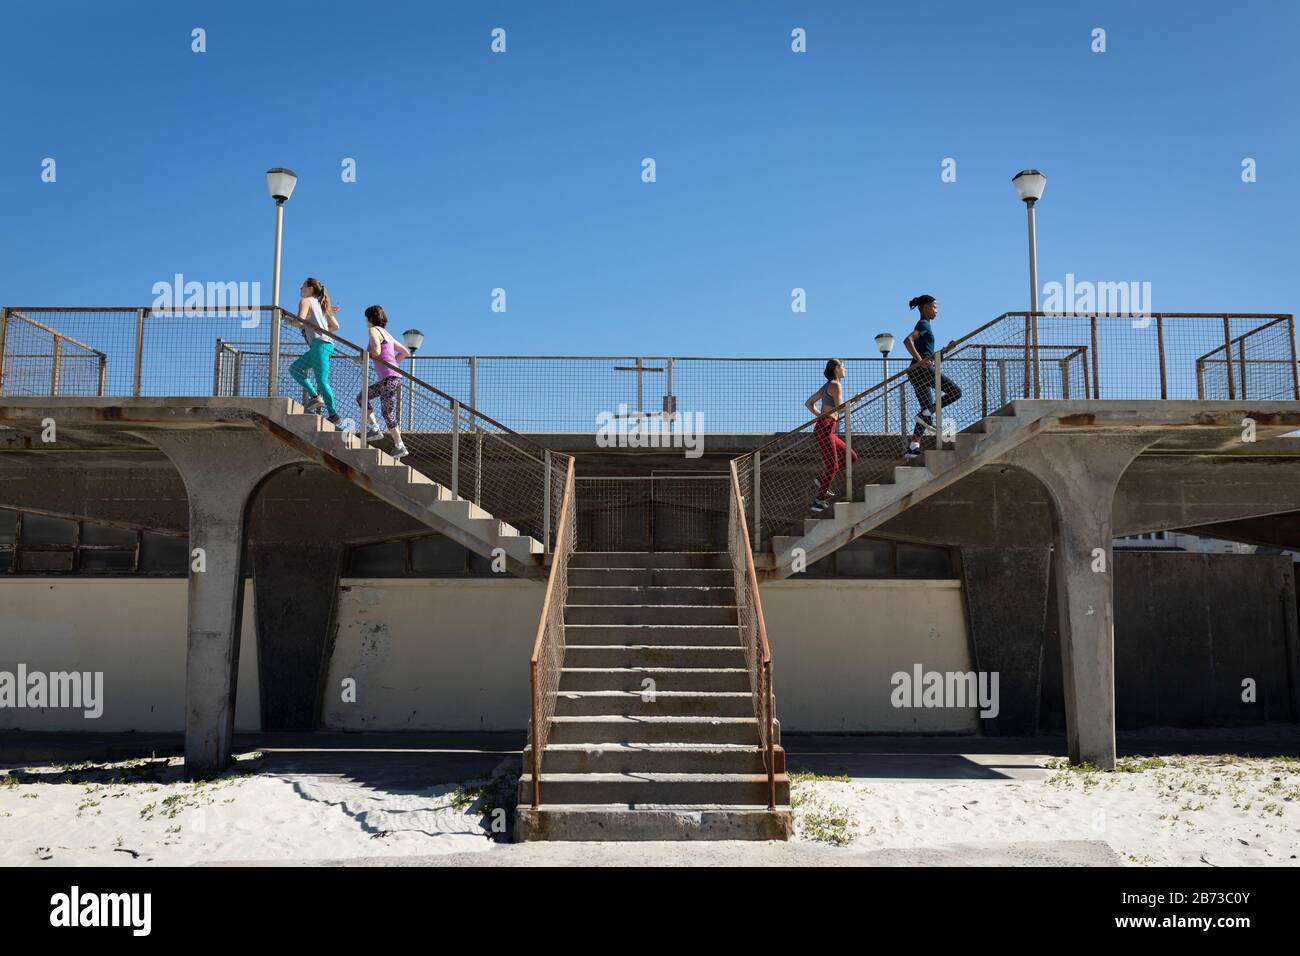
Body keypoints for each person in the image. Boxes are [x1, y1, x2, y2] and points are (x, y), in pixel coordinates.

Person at [902, 294, 961, 461]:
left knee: (925, 411)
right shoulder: (923, 324)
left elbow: (929, 358)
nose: (937, 310)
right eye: (934, 307)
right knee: (955, 392)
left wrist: (946, 350)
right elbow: (907, 341)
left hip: (916, 371)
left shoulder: (926, 326)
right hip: (920, 370)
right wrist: (920, 362)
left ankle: (913, 447)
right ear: (925, 307)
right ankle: (925, 414)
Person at [804, 358, 858, 514]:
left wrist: (819, 415)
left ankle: (822, 479)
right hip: (825, 427)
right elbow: (841, 409)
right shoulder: (835, 385)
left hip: (827, 427)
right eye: (843, 366)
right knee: (833, 466)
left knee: (851, 456)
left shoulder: (827, 386)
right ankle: (818, 500)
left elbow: (808, 403)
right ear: (836, 368)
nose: (845, 369)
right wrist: (853, 401)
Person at [357, 305, 410, 459]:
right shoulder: (387, 334)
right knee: (385, 411)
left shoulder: (373, 330)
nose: (365, 321)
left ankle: (376, 428)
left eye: (365, 318)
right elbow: (404, 352)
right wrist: (394, 365)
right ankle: (399, 445)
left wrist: (362, 358)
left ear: (369, 318)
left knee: (365, 399)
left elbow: (376, 351)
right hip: (393, 377)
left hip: (389, 378)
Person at [287, 278, 342, 425]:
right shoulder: (320, 304)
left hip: (320, 345)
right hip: (320, 345)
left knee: (322, 381)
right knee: (295, 369)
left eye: (303, 286)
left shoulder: (306, 301)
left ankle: (333, 414)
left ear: (310, 289)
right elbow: (335, 326)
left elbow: (299, 321)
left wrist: (287, 320)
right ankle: (315, 396)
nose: (300, 289)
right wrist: (319, 329)